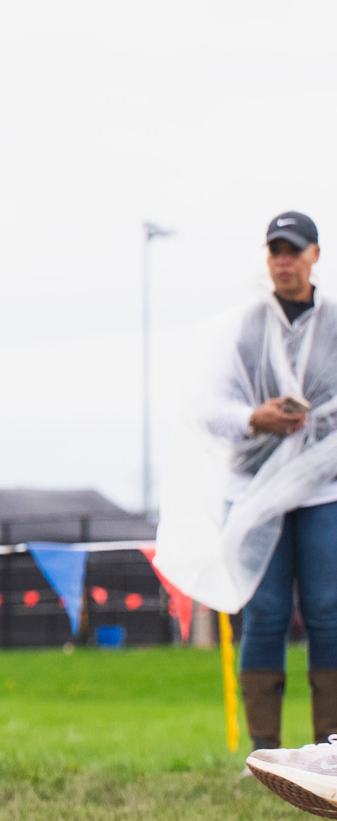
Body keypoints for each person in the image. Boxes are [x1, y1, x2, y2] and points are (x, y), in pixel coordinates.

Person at [202, 211, 337, 751]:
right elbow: (208, 406)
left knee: (328, 610)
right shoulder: (242, 326)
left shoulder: (333, 323)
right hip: (255, 489)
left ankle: (330, 750)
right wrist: (254, 419)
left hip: (323, 487)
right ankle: (265, 754)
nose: (283, 260)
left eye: (294, 250)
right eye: (275, 250)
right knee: (265, 611)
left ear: (314, 256)